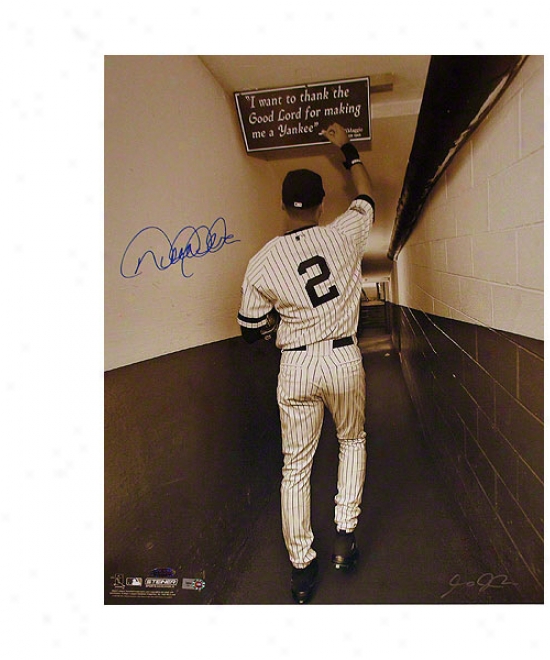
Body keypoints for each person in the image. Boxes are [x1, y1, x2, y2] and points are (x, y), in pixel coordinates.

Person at [237, 122, 374, 604]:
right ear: (319, 205)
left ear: (282, 205)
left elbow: (251, 329)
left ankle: (301, 569)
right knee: (351, 440)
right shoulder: (345, 234)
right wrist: (347, 151)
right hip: (341, 357)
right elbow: (367, 195)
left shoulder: (261, 262)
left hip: (294, 365)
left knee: (295, 467)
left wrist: (286, 330)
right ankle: (344, 537)